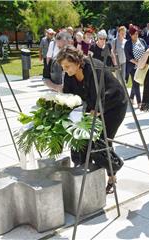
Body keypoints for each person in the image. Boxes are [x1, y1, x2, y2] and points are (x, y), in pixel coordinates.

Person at [56, 45, 128, 194]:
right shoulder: (69, 76)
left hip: (113, 104)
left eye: (67, 66)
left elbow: (99, 100)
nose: (65, 70)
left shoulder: (94, 68)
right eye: (63, 67)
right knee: (81, 139)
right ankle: (84, 174)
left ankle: (112, 173)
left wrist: (90, 114)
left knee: (102, 140)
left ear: (77, 61)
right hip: (93, 107)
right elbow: (68, 98)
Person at [124, 25, 147, 108]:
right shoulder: (128, 43)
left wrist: (144, 62)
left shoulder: (142, 41)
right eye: (134, 34)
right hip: (133, 66)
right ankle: (140, 103)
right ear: (130, 34)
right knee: (136, 83)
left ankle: (131, 98)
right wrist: (137, 63)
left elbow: (146, 50)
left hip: (142, 66)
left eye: (137, 33)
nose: (136, 35)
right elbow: (128, 57)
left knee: (135, 83)